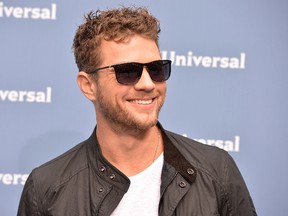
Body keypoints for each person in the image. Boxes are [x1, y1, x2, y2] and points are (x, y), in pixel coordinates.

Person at [17, 6, 257, 216]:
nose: (147, 84)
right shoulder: (47, 188)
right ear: (89, 86)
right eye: (127, 71)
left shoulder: (217, 170)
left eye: (156, 69)